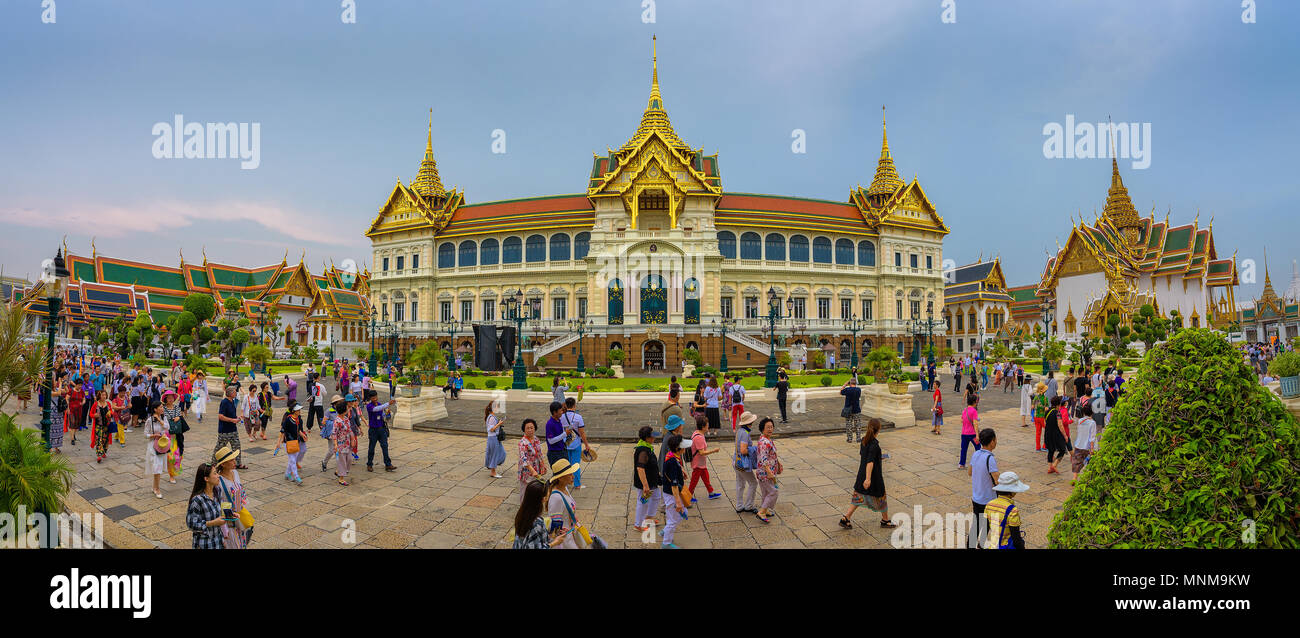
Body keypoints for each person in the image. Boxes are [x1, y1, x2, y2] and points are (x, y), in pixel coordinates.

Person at [839, 418, 896, 529]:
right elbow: (869, 462)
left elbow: (866, 456)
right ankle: (885, 520)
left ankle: (846, 518)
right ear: (878, 430)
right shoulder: (874, 444)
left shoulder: (864, 440)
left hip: (862, 474)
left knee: (858, 496)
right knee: (881, 496)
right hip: (872, 476)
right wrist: (868, 479)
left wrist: (878, 458)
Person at [967, 428, 1000, 548]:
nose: (996, 442)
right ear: (991, 441)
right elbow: (997, 480)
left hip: (976, 497)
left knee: (976, 525)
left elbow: (969, 472)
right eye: (995, 439)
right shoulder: (990, 458)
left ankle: (970, 546)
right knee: (987, 524)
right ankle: (981, 544)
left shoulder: (976, 454)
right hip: (988, 500)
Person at [213, 445, 251, 549]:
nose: (235, 462)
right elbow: (217, 503)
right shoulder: (219, 481)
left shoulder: (235, 472)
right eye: (231, 460)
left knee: (242, 543)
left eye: (234, 459)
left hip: (240, 516)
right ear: (224, 464)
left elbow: (241, 490)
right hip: (229, 521)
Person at [512, 479, 566, 549]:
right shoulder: (536, 523)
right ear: (543, 498)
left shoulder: (522, 514)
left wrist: (551, 533)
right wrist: (555, 542)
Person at [982, 471, 1030, 549]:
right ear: (1012, 491)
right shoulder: (1012, 510)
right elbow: (1016, 538)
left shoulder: (989, 504)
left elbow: (985, 528)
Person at [185, 462, 227, 549]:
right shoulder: (197, 500)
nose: (218, 476)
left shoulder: (217, 491)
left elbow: (220, 513)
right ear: (206, 478)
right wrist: (212, 523)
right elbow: (191, 524)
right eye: (215, 473)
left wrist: (231, 514)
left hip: (218, 542)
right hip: (204, 544)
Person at [659, 434, 689, 549]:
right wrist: (678, 502)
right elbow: (674, 485)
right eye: (683, 447)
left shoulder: (671, 455)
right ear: (678, 448)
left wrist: (681, 470)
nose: (685, 449)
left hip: (671, 493)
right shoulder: (672, 463)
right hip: (671, 494)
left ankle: (665, 531)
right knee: (673, 519)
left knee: (681, 514)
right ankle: (666, 543)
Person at [546, 458, 584, 549]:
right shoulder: (556, 498)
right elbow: (554, 526)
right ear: (560, 478)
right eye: (570, 474)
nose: (573, 476)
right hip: (564, 541)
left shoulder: (565, 488)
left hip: (570, 536)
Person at [632, 425, 662, 532]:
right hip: (646, 483)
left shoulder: (647, 447)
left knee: (657, 496)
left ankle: (649, 518)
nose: (654, 438)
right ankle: (638, 525)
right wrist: (645, 485)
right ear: (647, 438)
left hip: (652, 481)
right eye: (652, 436)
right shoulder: (643, 451)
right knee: (643, 502)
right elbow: (640, 468)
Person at [687, 415, 721, 501]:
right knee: (694, 481)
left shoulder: (697, 433)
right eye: (707, 424)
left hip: (701, 463)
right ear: (703, 426)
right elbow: (701, 452)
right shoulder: (699, 437)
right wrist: (714, 451)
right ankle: (688, 497)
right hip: (698, 463)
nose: (708, 426)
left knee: (706, 477)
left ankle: (711, 492)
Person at [754, 417, 781, 523]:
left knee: (766, 492)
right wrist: (769, 471)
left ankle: (765, 510)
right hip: (765, 472)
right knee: (774, 491)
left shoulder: (768, 439)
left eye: (771, 427)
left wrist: (778, 464)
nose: (770, 429)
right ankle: (762, 511)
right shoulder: (764, 442)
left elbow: (772, 454)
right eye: (767, 427)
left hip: (768, 471)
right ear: (762, 429)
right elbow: (763, 457)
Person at [213, 385, 247, 469]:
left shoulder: (232, 401)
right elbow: (220, 416)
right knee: (219, 448)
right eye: (235, 392)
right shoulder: (224, 402)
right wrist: (232, 420)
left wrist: (237, 418)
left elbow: (231, 414)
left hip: (233, 430)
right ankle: (213, 464)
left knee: (237, 446)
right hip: (224, 431)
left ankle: (238, 464)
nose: (236, 393)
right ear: (230, 393)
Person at [731, 411, 759, 514]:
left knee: (740, 484)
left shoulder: (740, 431)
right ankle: (749, 506)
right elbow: (743, 450)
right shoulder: (745, 433)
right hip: (743, 463)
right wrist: (753, 449)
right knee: (753, 483)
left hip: (736, 461)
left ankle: (739, 506)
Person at [330, 394, 360, 485]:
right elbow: (334, 434)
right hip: (340, 444)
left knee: (349, 459)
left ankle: (340, 471)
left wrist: (353, 439)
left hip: (347, 443)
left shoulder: (346, 419)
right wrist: (335, 445)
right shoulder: (337, 421)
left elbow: (350, 429)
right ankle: (341, 479)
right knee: (342, 461)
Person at [364, 390, 397, 472]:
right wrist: (388, 403)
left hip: (381, 429)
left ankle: (388, 464)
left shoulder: (379, 404)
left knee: (385, 446)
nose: (375, 399)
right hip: (373, 430)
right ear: (370, 398)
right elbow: (377, 409)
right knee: (372, 448)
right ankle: (369, 464)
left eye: (376, 397)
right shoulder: (369, 406)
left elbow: (382, 414)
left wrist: (387, 414)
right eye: (373, 397)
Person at [143, 400, 169, 499]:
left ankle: (154, 487)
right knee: (156, 467)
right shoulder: (149, 420)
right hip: (153, 446)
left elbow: (167, 427)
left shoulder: (164, 418)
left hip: (162, 445)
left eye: (162, 407)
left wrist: (159, 419)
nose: (162, 408)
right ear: (155, 409)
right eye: (160, 407)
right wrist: (154, 435)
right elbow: (145, 434)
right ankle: (157, 489)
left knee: (158, 468)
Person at [276, 402, 306, 485]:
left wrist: (302, 435)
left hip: (296, 442)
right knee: (292, 460)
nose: (300, 411)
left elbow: (299, 429)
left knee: (292, 460)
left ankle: (287, 474)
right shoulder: (288, 419)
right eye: (298, 410)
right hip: (288, 442)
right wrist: (279, 442)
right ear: (294, 411)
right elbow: (282, 431)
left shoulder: (298, 419)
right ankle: (296, 477)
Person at [517, 418, 546, 503]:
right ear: (524, 430)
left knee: (535, 489)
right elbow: (524, 459)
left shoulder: (536, 439)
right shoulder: (522, 442)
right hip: (526, 470)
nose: (530, 430)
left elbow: (540, 453)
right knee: (525, 490)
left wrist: (543, 465)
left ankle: (533, 508)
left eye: (531, 428)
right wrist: (532, 470)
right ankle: (523, 510)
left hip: (536, 467)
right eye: (527, 428)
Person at [161, 389, 186, 482]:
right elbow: (164, 419)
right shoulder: (163, 408)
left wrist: (178, 417)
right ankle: (171, 475)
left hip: (177, 434)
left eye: (172, 398)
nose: (170, 399)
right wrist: (173, 419)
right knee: (170, 457)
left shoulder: (176, 407)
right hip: (168, 435)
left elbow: (179, 416)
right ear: (166, 399)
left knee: (178, 456)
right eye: (169, 398)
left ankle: (175, 471)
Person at [1070, 402, 1097, 484]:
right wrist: (1092, 448)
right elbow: (1092, 437)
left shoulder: (1080, 421)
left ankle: (1074, 478)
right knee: (1090, 463)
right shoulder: (1092, 423)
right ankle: (1088, 478)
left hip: (1079, 444)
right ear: (1092, 412)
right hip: (1087, 447)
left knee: (1076, 462)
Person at [1044, 396, 1070, 474]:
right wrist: (1065, 436)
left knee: (1050, 451)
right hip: (1056, 434)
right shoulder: (1058, 413)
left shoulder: (1047, 411)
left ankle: (1050, 467)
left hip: (1048, 433)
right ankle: (1054, 465)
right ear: (1058, 405)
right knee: (1062, 450)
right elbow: (1060, 425)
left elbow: (1045, 423)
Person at [484, 402, 506, 479]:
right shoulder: (492, 418)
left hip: (493, 438)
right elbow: (491, 429)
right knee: (495, 454)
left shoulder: (491, 416)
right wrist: (499, 424)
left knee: (500, 453)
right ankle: (493, 472)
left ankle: (491, 466)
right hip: (493, 438)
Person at [959, 393, 981, 469]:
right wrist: (977, 435)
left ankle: (961, 464)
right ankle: (979, 463)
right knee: (978, 448)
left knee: (964, 449)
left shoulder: (964, 410)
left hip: (964, 433)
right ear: (974, 402)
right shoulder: (974, 411)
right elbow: (975, 424)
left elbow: (962, 420)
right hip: (973, 434)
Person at [543, 400, 568, 466]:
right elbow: (551, 441)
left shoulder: (558, 420)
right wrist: (565, 434)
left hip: (562, 450)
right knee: (558, 474)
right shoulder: (550, 424)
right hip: (554, 453)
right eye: (560, 411)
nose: (562, 412)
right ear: (554, 412)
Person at [840, 376, 863, 442]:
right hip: (856, 409)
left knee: (849, 425)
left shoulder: (847, 390)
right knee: (858, 424)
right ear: (855, 383)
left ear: (850, 383)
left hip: (848, 410)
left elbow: (840, 392)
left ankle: (850, 438)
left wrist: (844, 385)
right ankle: (858, 438)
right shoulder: (858, 390)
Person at [1032, 381, 1049, 452]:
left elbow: (1032, 407)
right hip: (1042, 417)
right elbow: (1046, 408)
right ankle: (1045, 446)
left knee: (1038, 432)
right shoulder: (1045, 399)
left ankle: (1038, 447)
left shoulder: (1035, 397)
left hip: (1036, 417)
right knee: (1047, 431)